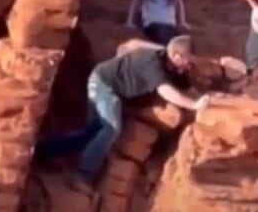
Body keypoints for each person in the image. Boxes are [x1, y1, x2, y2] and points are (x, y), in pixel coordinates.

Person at [35, 35, 208, 192]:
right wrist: (194, 105)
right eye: (187, 61)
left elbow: (133, 44)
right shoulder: (153, 64)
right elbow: (165, 91)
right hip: (104, 85)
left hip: (110, 87)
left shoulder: (166, 57)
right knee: (111, 128)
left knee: (91, 134)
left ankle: (43, 150)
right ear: (177, 56)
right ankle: (82, 175)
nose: (189, 66)